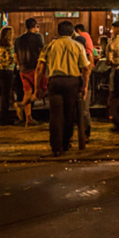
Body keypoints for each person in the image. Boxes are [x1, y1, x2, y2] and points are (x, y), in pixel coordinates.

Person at [35, 21, 90, 156]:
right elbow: (85, 68)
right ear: (72, 32)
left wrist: (37, 87)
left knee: (55, 115)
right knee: (69, 114)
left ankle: (56, 146)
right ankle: (66, 143)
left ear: (58, 32)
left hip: (55, 81)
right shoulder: (77, 46)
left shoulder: (50, 46)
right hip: (72, 81)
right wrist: (85, 86)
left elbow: (39, 68)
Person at [13, 18, 45, 127]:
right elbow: (42, 52)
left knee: (27, 92)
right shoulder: (38, 37)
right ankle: (21, 104)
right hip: (35, 68)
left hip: (22, 69)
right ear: (35, 26)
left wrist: (19, 65)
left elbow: (16, 55)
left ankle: (28, 118)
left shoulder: (18, 39)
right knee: (43, 90)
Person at [74, 25, 95, 141]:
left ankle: (85, 134)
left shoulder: (85, 55)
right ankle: (84, 134)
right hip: (81, 83)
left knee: (83, 110)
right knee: (84, 110)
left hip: (80, 82)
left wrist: (85, 85)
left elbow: (87, 70)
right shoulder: (86, 55)